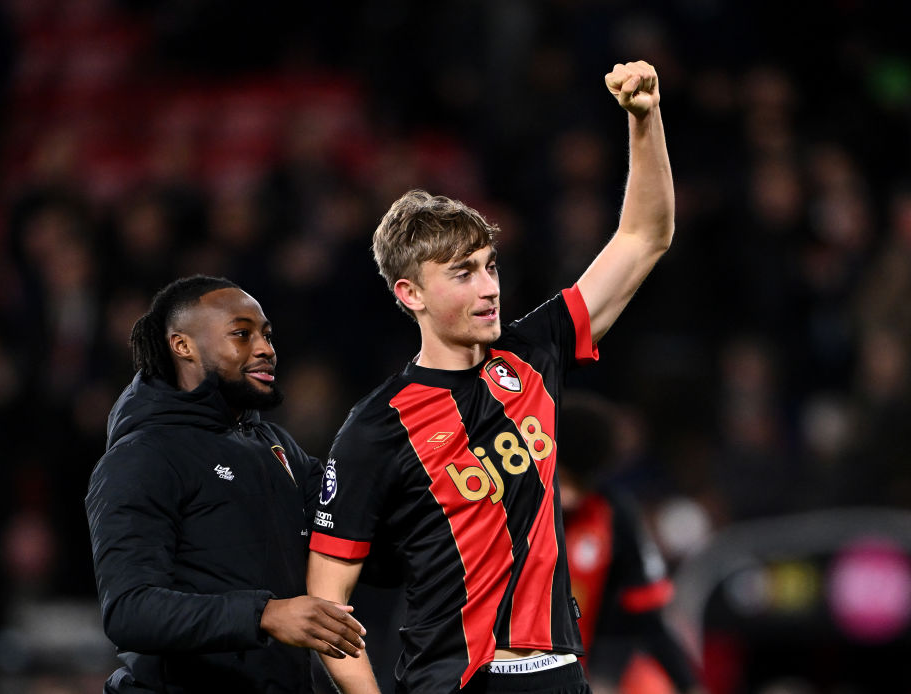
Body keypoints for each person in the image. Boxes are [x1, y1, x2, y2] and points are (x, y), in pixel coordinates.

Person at [306, 60, 674, 694]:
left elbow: (645, 235)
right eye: (462, 273)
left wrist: (645, 120)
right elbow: (326, 603)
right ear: (409, 292)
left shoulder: (534, 352)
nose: (488, 289)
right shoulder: (375, 428)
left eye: (489, 266)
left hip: (560, 673)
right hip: (455, 682)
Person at [85, 275, 367, 694]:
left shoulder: (276, 447)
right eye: (242, 334)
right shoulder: (141, 457)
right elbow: (130, 610)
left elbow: (349, 529)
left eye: (268, 336)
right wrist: (263, 615)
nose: (266, 349)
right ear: (183, 346)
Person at [558, 394, 706, 694]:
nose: (568, 496)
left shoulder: (614, 514)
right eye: (561, 479)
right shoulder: (510, 509)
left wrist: (690, 685)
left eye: (578, 482)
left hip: (588, 664)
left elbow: (647, 614)